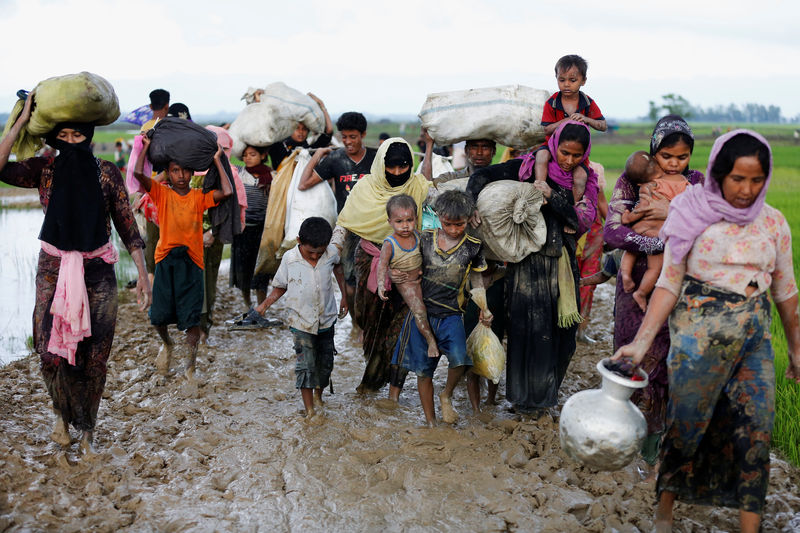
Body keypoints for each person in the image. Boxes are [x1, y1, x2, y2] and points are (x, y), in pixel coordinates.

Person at [613, 130, 800, 533]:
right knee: (686, 428)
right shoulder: (690, 213)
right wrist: (641, 342)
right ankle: (665, 513)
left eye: (756, 180)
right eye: (737, 179)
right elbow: (668, 283)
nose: (747, 190)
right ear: (717, 173)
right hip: (696, 343)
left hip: (754, 344)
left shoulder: (773, 222)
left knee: (755, 436)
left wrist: (797, 350)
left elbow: (786, 292)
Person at [0, 94, 151, 454]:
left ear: (88, 135)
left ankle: (87, 430)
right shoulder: (44, 170)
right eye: (63, 135)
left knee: (95, 357)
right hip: (53, 268)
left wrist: (144, 276)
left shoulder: (107, 173)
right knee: (50, 352)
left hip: (98, 270)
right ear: (55, 139)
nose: (70, 141)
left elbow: (128, 227)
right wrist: (19, 124)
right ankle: (59, 414)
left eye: (76, 135)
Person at [467, 121, 598, 412]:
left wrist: (551, 196)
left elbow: (580, 221)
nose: (568, 160)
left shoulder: (584, 181)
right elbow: (484, 175)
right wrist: (471, 203)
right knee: (526, 332)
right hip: (526, 267)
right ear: (554, 147)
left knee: (564, 338)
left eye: (576, 155)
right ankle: (525, 402)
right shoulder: (526, 168)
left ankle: (546, 395)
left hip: (562, 264)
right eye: (564, 153)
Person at [603, 114, 704, 467]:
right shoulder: (633, 179)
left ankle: (658, 444)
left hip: (678, 283)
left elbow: (709, 230)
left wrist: (672, 219)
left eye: (682, 156)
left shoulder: (698, 183)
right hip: (638, 282)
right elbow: (612, 232)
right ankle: (622, 436)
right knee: (630, 354)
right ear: (653, 152)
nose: (675, 163)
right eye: (666, 156)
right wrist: (656, 243)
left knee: (668, 362)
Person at [332, 136, 434, 395]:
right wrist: (332, 249)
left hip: (409, 265)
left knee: (400, 327)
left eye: (403, 167)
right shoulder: (365, 189)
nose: (397, 173)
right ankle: (376, 375)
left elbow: (437, 200)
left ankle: (387, 387)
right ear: (382, 165)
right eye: (392, 167)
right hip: (370, 260)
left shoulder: (418, 186)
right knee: (373, 324)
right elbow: (345, 222)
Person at [132, 132, 233, 380]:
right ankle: (167, 344)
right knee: (158, 318)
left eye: (185, 171)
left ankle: (190, 367)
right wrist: (145, 148)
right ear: (168, 173)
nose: (181, 176)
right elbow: (137, 175)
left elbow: (227, 191)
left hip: (192, 262)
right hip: (166, 261)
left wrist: (218, 159)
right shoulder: (162, 193)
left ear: (191, 174)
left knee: (193, 321)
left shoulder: (198, 198)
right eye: (175, 171)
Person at [392, 190, 491, 426]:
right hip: (422, 315)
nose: (454, 230)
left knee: (461, 360)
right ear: (439, 217)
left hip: (451, 315)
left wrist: (483, 307)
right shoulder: (424, 239)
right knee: (423, 371)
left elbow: (477, 280)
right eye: (448, 224)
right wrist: (393, 273)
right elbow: (407, 263)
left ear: (469, 220)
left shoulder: (474, 247)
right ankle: (430, 422)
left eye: (460, 225)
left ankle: (446, 394)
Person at [255, 217, 347, 416]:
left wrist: (344, 297)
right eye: (310, 252)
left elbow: (338, 268)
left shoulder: (331, 253)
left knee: (325, 365)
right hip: (300, 322)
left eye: (319, 253)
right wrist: (264, 306)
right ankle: (310, 411)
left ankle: (318, 396)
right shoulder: (289, 259)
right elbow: (280, 286)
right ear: (298, 241)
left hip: (326, 320)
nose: (315, 257)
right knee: (305, 366)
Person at [299, 112, 377, 322]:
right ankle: (356, 323)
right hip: (349, 227)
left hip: (376, 226)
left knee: (374, 278)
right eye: (344, 137)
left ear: (363, 135)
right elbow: (303, 183)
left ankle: (370, 323)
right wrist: (318, 155)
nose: (348, 142)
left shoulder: (377, 158)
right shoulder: (335, 159)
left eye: (353, 137)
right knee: (350, 283)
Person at [619, 151, 689, 312]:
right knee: (654, 269)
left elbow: (643, 207)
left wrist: (628, 218)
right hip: (657, 233)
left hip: (641, 228)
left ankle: (626, 274)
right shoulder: (679, 181)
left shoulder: (647, 187)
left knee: (630, 251)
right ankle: (642, 293)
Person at [376, 194, 439, 358]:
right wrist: (382, 284)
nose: (405, 226)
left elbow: (427, 256)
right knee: (419, 310)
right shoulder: (390, 243)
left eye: (409, 220)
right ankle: (431, 341)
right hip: (406, 282)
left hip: (420, 278)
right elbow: (382, 265)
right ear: (390, 221)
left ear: (416, 219)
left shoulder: (418, 235)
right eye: (399, 222)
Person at [231, 145, 272, 307]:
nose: (248, 158)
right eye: (245, 155)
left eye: (253, 154)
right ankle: (248, 305)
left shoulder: (271, 176)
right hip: (242, 229)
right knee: (243, 268)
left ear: (263, 155)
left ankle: (261, 306)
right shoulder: (239, 173)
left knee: (261, 269)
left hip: (262, 230)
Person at [575, 161, 608, 344]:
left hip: (593, 233)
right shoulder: (554, 166)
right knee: (563, 281)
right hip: (570, 230)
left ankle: (581, 329)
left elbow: (602, 202)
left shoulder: (596, 168)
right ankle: (562, 328)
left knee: (588, 282)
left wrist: (614, 231)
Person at [541, 55, 606, 140]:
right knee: (543, 154)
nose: (566, 84)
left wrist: (586, 119)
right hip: (553, 145)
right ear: (556, 78)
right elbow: (546, 130)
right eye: (562, 80)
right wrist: (566, 121)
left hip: (578, 146)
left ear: (583, 81)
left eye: (572, 80)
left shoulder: (587, 102)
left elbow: (603, 126)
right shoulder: (552, 102)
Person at [268, 93, 333, 170]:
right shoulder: (279, 147)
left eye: (304, 129)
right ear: (291, 128)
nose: (301, 132)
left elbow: (329, 131)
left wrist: (322, 105)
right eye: (297, 128)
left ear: (309, 131)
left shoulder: (310, 149)